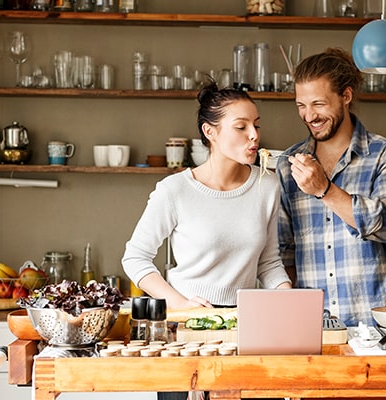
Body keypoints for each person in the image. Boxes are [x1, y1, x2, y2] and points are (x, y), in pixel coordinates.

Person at [123, 82, 292, 313]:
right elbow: (135, 257)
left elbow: (269, 263)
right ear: (210, 132)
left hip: (243, 318)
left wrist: (291, 301)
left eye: (257, 125)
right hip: (187, 318)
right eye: (241, 127)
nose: (254, 135)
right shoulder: (174, 190)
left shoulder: (268, 185)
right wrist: (180, 304)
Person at [275, 48, 386, 327]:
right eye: (301, 105)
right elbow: (285, 250)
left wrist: (325, 190)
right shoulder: (290, 165)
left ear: (346, 97)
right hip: (313, 324)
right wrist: (289, 314)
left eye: (318, 104)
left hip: (375, 322)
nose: (309, 115)